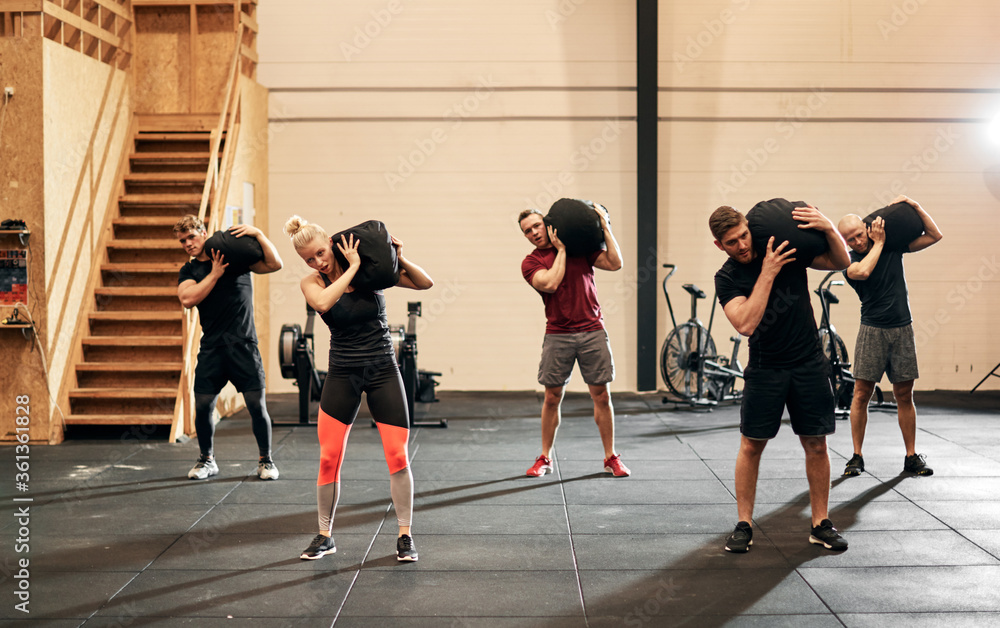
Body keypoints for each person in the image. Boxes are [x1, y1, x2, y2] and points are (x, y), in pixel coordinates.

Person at [284, 216, 433, 563]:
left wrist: (398, 255)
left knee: (397, 455)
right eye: (309, 259)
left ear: (329, 242)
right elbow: (323, 304)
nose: (318, 262)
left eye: (320, 253)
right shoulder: (312, 283)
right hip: (342, 372)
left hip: (383, 369)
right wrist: (349, 268)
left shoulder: (370, 271)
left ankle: (405, 535)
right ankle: (324, 535)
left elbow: (425, 283)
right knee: (328, 458)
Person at [710, 203, 851, 553]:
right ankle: (744, 524)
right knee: (751, 445)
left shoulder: (783, 248)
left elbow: (841, 262)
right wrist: (767, 273)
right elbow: (745, 323)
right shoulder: (727, 277)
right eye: (731, 242)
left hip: (808, 361)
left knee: (816, 443)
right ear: (720, 246)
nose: (741, 245)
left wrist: (829, 227)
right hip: (766, 366)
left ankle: (821, 523)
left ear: (748, 227)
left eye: (743, 235)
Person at [518, 204, 629, 478]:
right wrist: (562, 251)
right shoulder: (530, 262)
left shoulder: (582, 248)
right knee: (552, 397)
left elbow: (615, 263)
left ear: (547, 224)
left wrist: (605, 225)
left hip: (592, 330)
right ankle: (545, 457)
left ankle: (610, 457)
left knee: (601, 396)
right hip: (558, 334)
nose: (533, 233)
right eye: (527, 231)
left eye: (536, 226)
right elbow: (551, 283)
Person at [837, 195, 943, 478]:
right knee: (861, 394)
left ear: (866, 226)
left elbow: (935, 235)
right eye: (850, 239)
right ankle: (856, 456)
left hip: (902, 328)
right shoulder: (849, 260)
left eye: (859, 234)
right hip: (872, 330)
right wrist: (879, 243)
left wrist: (916, 206)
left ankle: (911, 457)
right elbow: (864, 271)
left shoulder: (893, 245)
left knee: (904, 394)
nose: (857, 242)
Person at [175, 215, 283, 481]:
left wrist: (258, 233)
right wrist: (214, 274)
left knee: (256, 406)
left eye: (192, 236)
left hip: (243, 344)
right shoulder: (189, 271)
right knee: (203, 405)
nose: (188, 243)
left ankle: (266, 460)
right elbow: (188, 298)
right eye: (183, 240)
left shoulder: (233, 258)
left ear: (203, 232)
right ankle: (206, 460)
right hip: (212, 347)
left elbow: (274, 264)